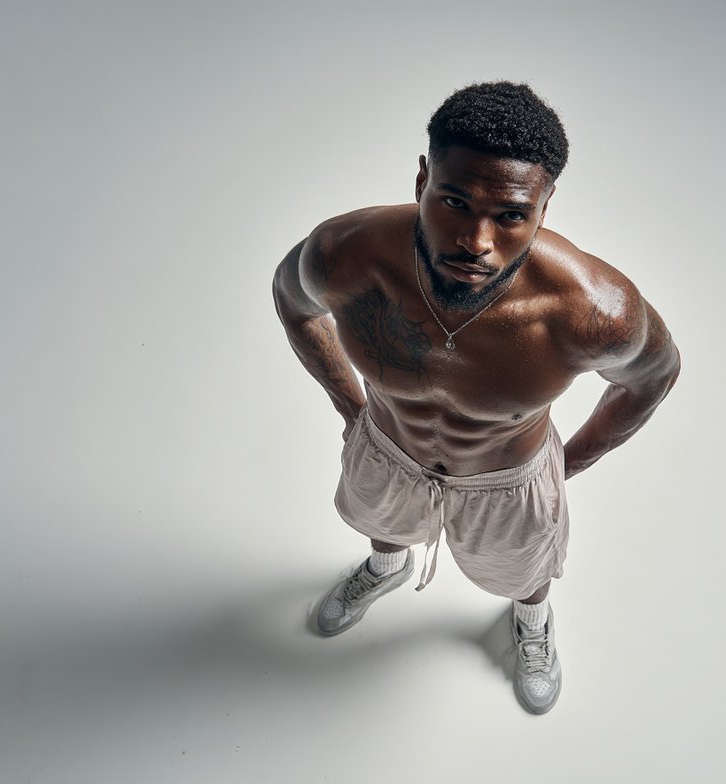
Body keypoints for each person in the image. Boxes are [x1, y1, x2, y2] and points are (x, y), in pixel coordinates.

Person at [272, 81, 680, 715]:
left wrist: (567, 465)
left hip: (508, 478)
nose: (476, 240)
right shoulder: (345, 255)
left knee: (523, 573)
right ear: (422, 181)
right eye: (455, 202)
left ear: (544, 205)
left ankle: (532, 622)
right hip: (387, 446)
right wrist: (350, 407)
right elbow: (293, 306)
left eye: (511, 214)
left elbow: (654, 375)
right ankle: (387, 568)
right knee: (382, 525)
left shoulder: (592, 312)